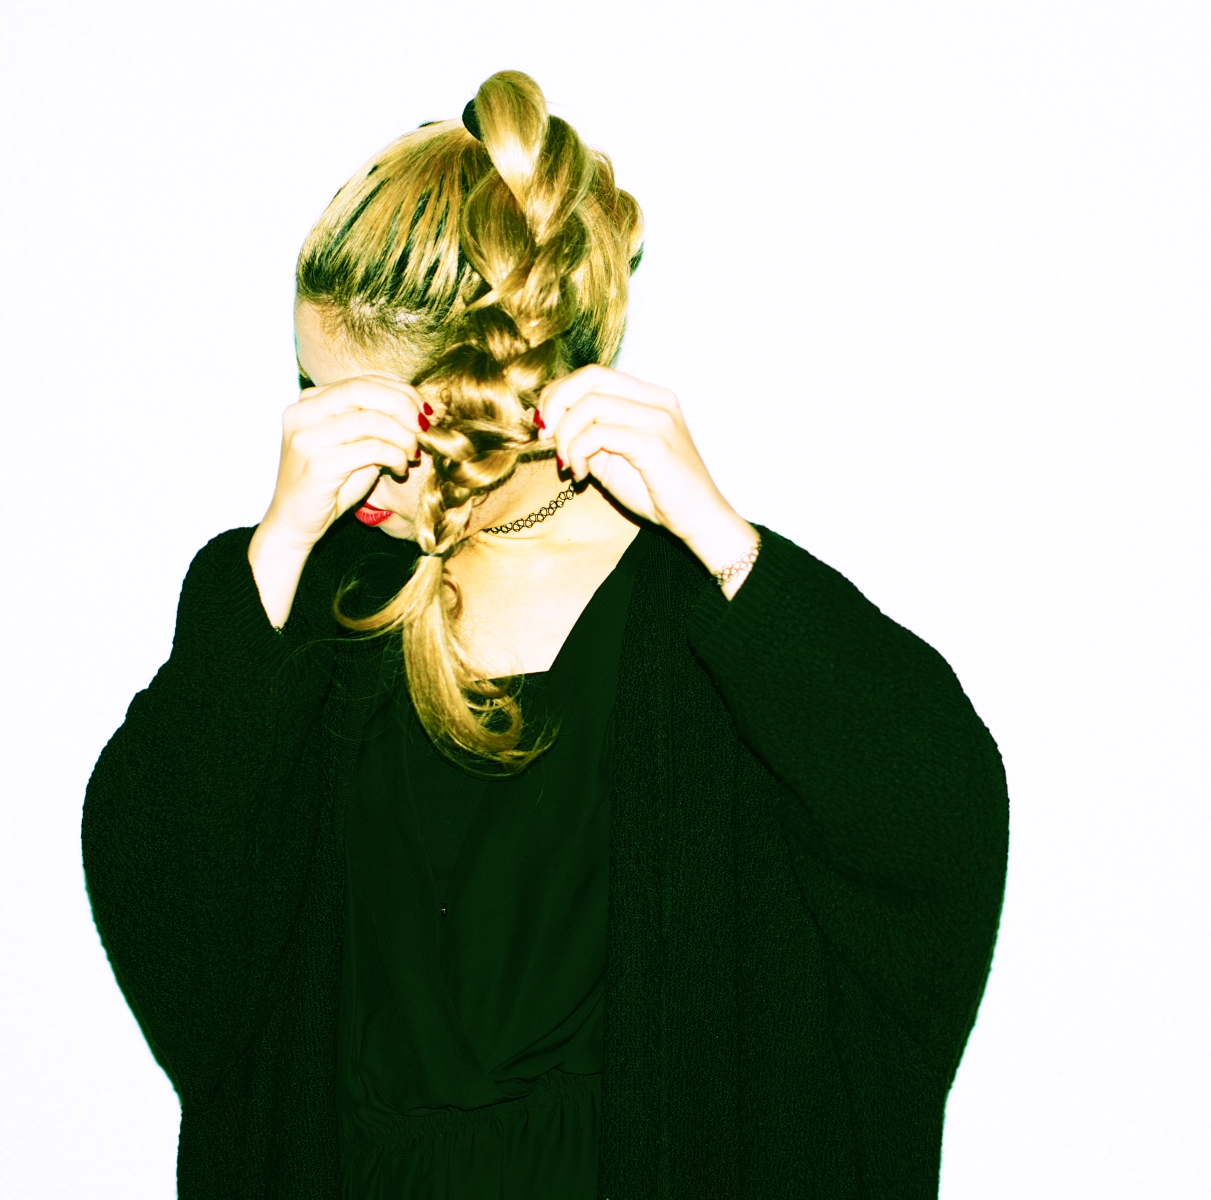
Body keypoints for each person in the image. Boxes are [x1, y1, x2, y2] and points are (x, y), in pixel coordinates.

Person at [82, 68, 1008, 1200]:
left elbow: (933, 812)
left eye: (364, 410)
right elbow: (162, 891)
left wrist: (728, 546)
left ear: (485, 399)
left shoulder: (696, 620)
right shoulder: (307, 611)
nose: (321, 442)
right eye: (311, 390)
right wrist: (271, 556)